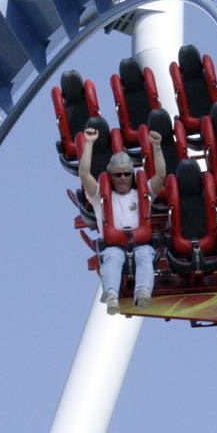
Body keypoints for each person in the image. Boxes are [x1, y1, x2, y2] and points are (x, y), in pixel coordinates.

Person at [78, 123, 166, 313]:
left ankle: (143, 293)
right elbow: (84, 174)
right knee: (112, 258)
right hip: (113, 246)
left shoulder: (142, 193)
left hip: (140, 244)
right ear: (111, 176)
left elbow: (160, 175)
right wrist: (89, 144)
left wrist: (157, 148)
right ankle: (111, 296)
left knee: (145, 256)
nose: (123, 178)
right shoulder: (100, 195)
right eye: (118, 175)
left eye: (127, 174)